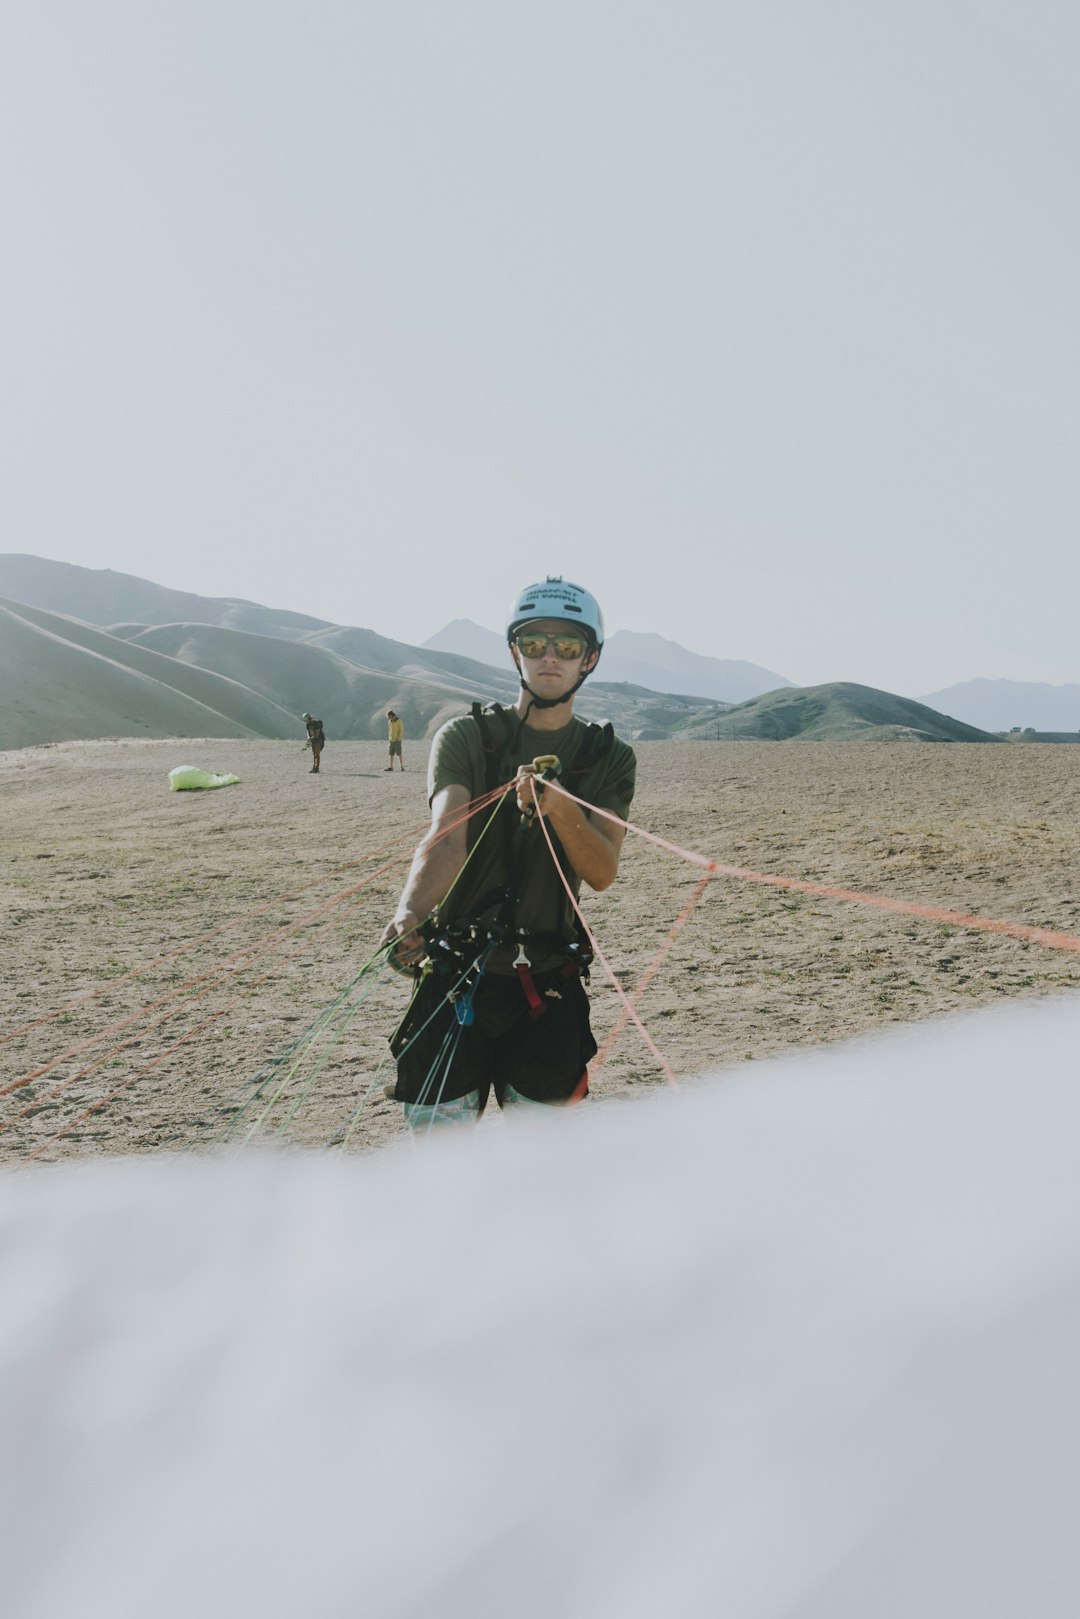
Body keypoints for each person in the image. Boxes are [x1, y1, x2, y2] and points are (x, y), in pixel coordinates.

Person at [380, 578, 636, 1129]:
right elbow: (447, 837)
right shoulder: (466, 737)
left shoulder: (607, 757)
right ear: (512, 651)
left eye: (566, 646)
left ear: (589, 658)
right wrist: (410, 912)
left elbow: (602, 872)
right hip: (453, 976)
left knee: (541, 1177)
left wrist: (563, 810)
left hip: (547, 981)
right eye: (534, 642)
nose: (549, 656)